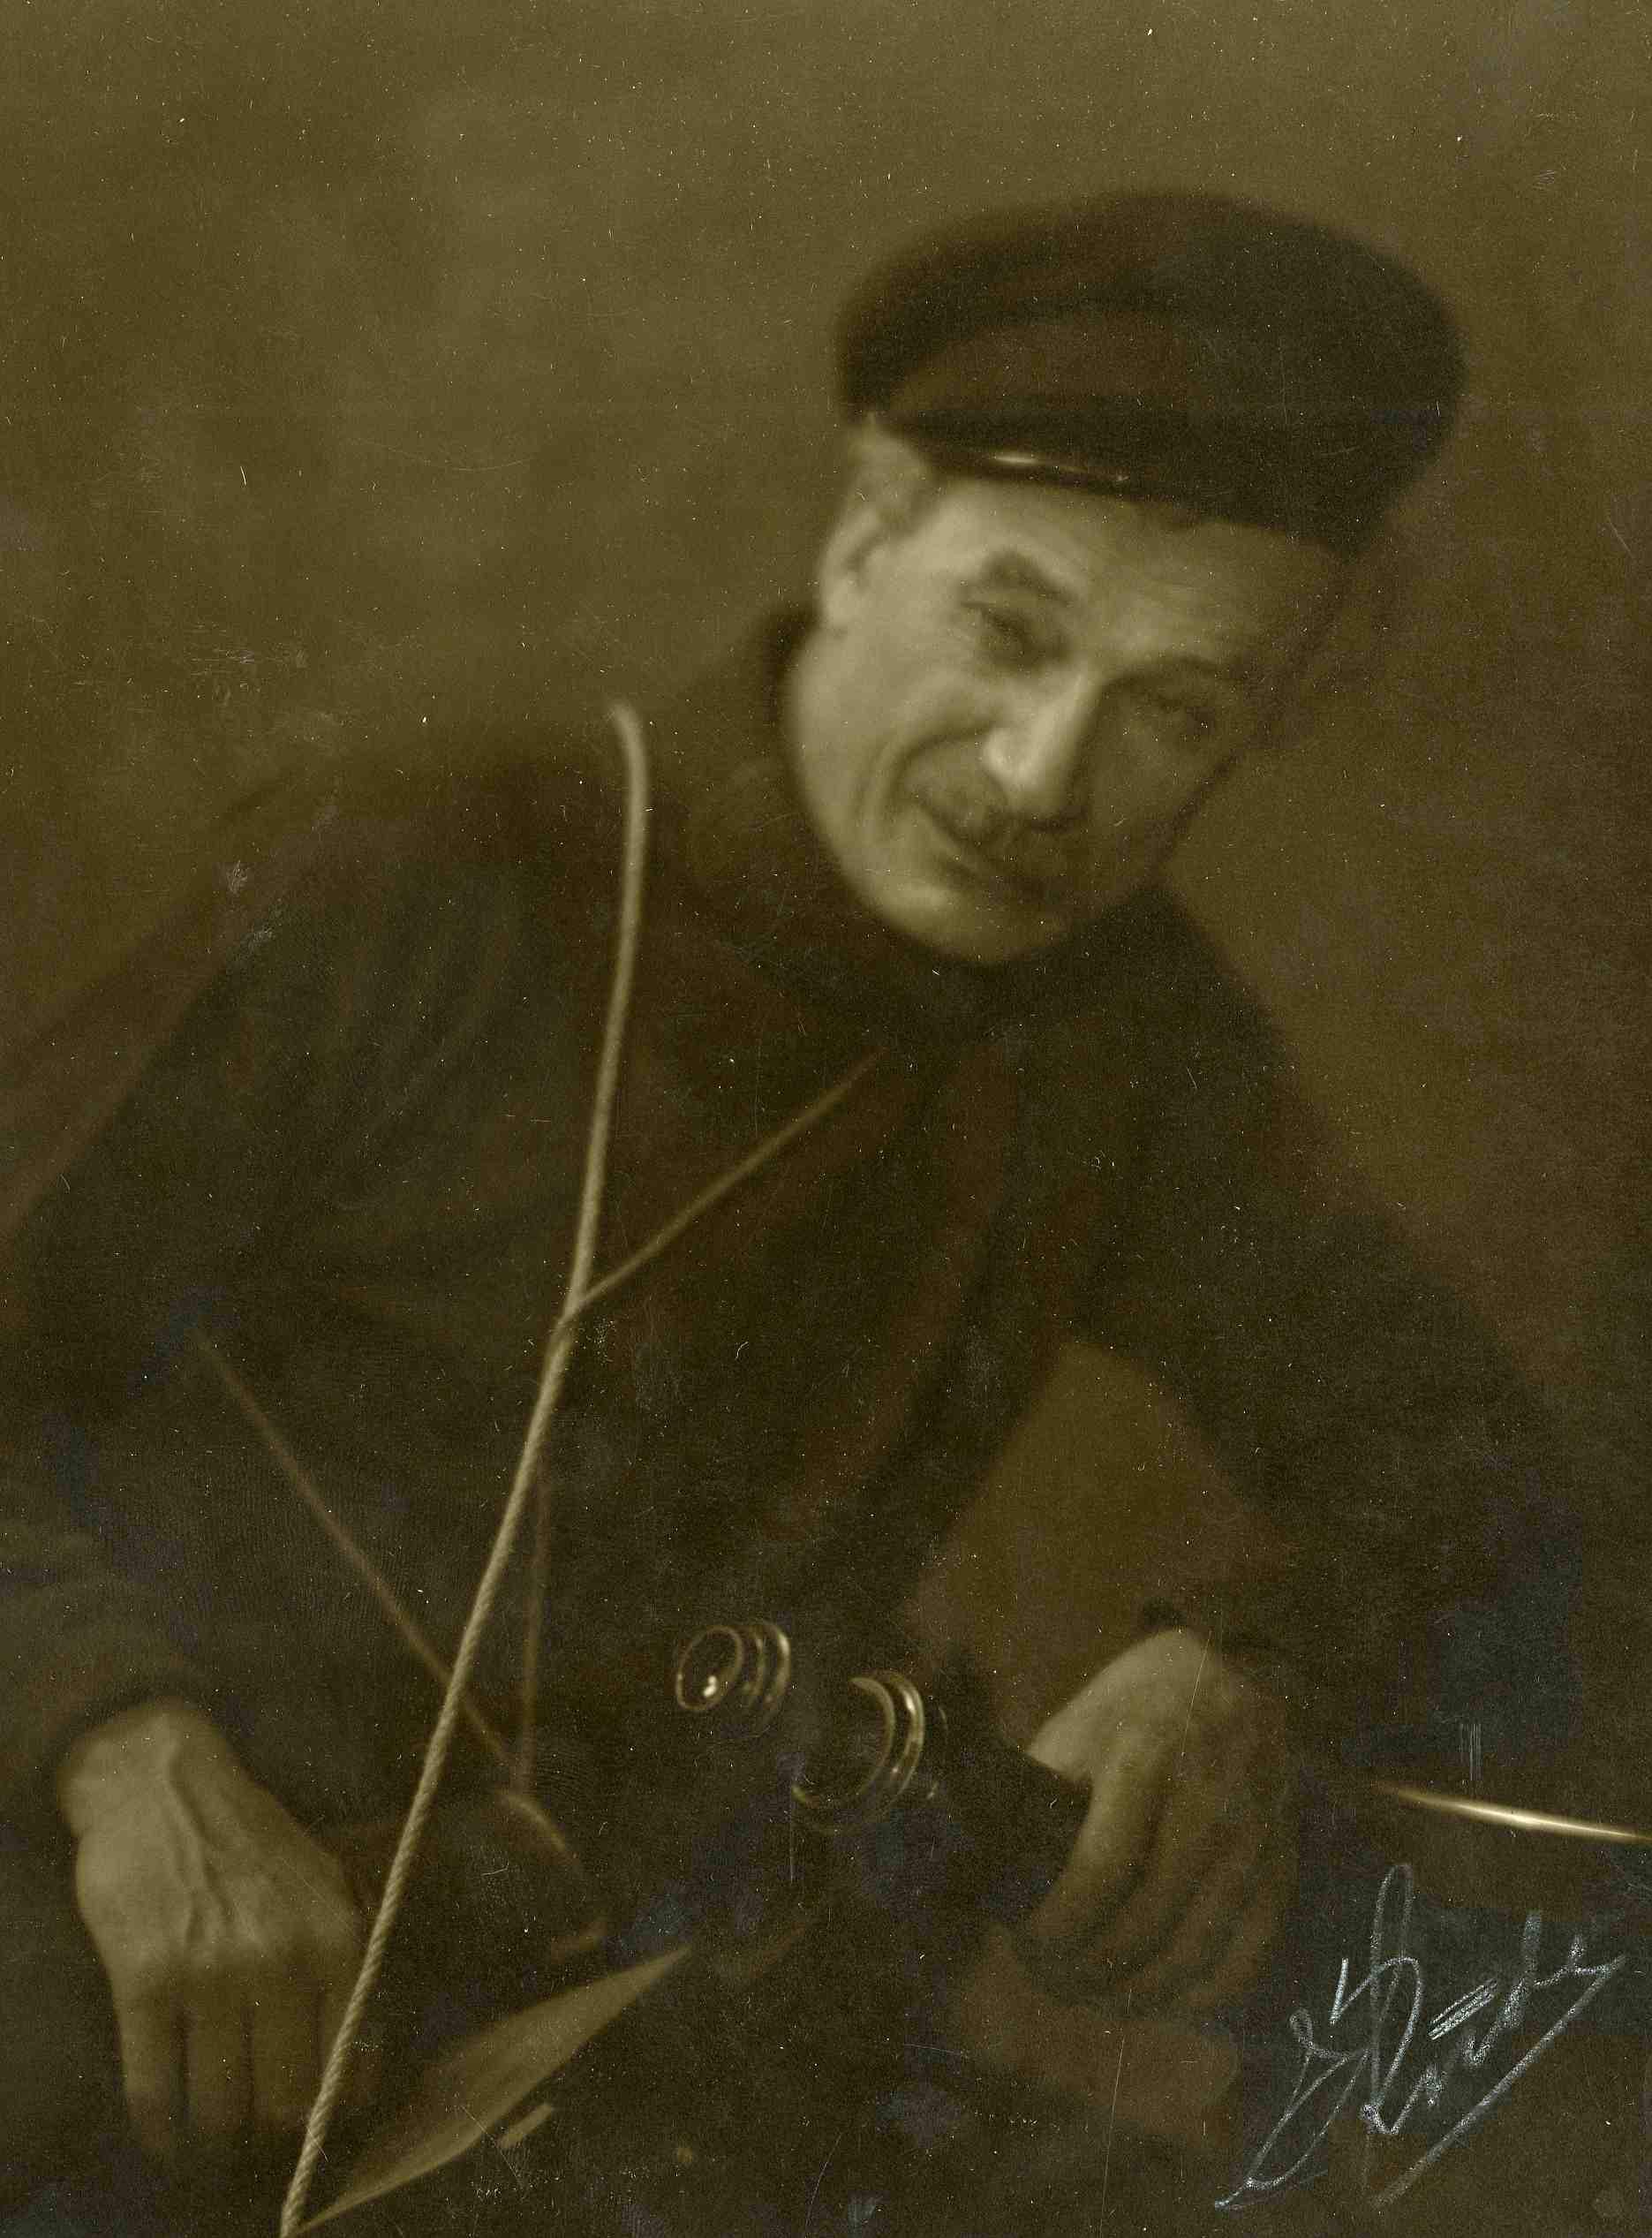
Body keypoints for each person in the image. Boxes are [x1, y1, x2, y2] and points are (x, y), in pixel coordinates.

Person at [0, 193, 1577, 2232]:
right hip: (132, 2023)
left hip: (652, 2062)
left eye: (1178, 707)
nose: (1045, 774)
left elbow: (1484, 1481)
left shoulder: (1123, 1032)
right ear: (865, 533)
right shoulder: (423, 864)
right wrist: (118, 1741)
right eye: (1012, 631)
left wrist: (1247, 1667)